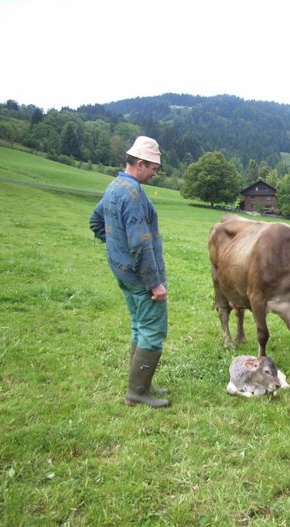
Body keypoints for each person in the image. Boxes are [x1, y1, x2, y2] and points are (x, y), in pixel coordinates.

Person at [90, 136, 170, 408]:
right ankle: (137, 393)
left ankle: (141, 384)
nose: (155, 174)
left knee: (138, 326)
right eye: (153, 169)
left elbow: (96, 221)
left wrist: (116, 250)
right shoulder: (133, 194)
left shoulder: (114, 186)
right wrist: (155, 284)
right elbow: (141, 244)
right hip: (141, 278)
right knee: (152, 329)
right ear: (139, 163)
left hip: (122, 272)